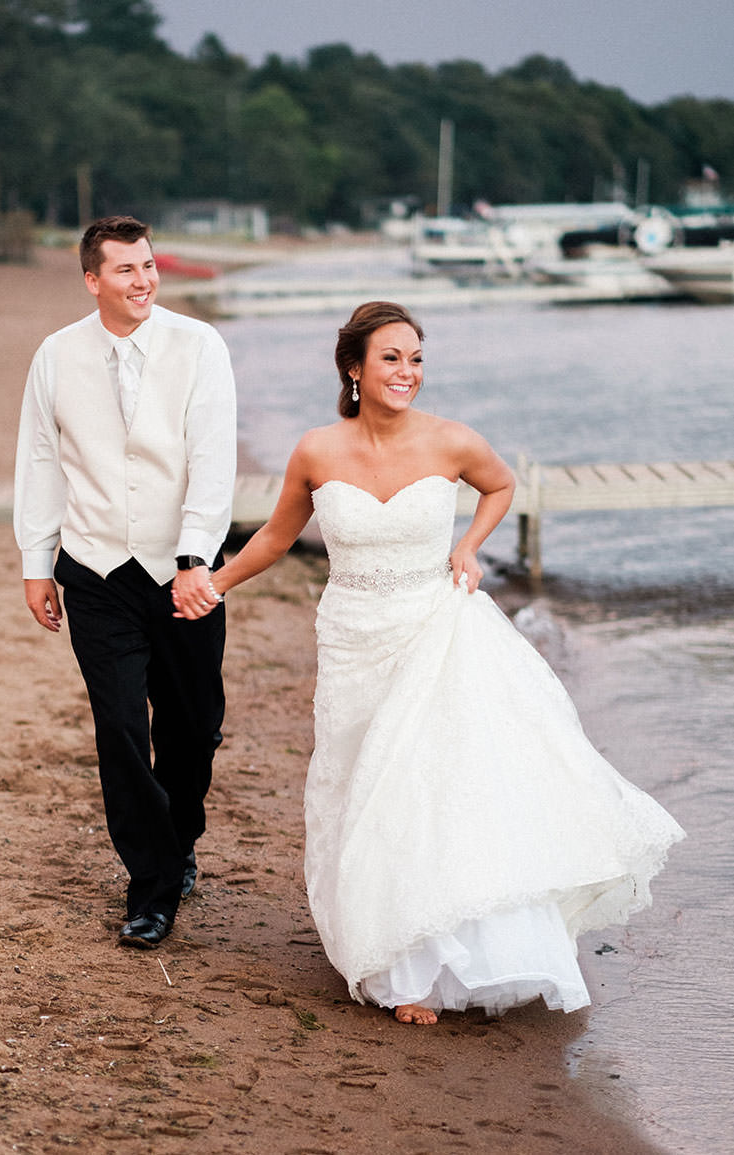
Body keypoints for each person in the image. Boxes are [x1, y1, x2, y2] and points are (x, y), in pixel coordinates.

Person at [177, 300, 685, 1025]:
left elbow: (501, 484)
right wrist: (213, 583)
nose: (406, 372)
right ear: (354, 368)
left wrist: (469, 544)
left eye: (415, 358)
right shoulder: (317, 450)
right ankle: (392, 952)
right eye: (390, 357)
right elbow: (276, 537)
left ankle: (436, 961)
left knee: (428, 786)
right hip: (353, 634)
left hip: (433, 625)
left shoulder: (450, 441)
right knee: (362, 788)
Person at [14, 215, 236, 949]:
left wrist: (195, 556)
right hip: (96, 568)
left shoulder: (198, 344)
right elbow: (42, 460)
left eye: (148, 267)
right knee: (118, 726)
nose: (143, 281)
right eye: (125, 270)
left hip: (185, 569)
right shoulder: (55, 354)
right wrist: (35, 561)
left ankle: (181, 836)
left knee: (192, 726)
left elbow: (212, 458)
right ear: (92, 279)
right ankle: (152, 885)